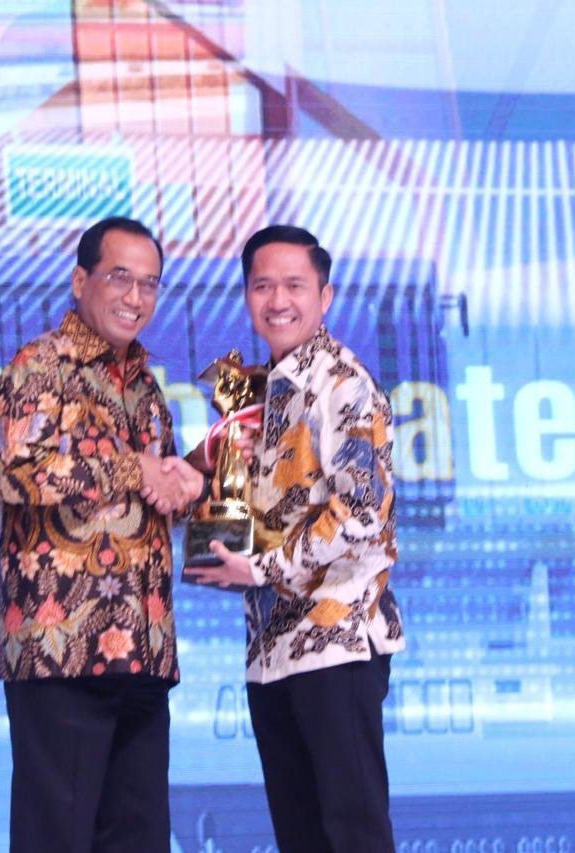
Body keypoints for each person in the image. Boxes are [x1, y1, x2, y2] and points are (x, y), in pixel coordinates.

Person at [0, 216, 205, 853]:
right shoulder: (40, 364)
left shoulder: (146, 387)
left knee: (139, 839)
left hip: (144, 651)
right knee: (55, 838)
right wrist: (134, 469)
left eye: (149, 284)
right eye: (119, 278)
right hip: (62, 652)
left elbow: (149, 501)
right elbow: (16, 470)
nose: (135, 297)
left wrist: (190, 484)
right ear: (81, 281)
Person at [187, 224, 405, 853]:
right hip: (272, 648)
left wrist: (261, 569)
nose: (277, 300)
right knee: (301, 837)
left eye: (294, 285)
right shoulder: (257, 392)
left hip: (336, 642)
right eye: (263, 286)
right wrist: (190, 479)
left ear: (324, 296)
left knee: (353, 834)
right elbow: (238, 496)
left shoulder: (343, 384)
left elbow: (362, 510)